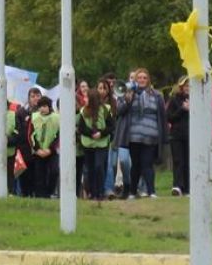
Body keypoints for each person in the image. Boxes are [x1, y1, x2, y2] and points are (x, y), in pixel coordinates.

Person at [117, 68, 166, 198]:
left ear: (148, 80)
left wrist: (164, 135)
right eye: (139, 78)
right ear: (135, 80)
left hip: (151, 135)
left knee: (147, 163)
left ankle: (151, 191)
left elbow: (162, 116)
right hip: (134, 136)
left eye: (144, 78)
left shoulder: (156, 95)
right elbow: (119, 112)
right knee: (136, 164)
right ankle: (133, 192)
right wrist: (128, 100)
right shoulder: (129, 94)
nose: (142, 80)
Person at [77, 89, 112, 202]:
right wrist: (91, 134)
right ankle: (92, 192)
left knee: (99, 167)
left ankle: (100, 191)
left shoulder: (106, 110)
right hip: (88, 144)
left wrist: (101, 133)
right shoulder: (83, 111)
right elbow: (81, 128)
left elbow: (111, 126)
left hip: (101, 144)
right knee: (90, 169)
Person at [30, 96, 59, 198]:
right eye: (40, 106)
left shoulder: (56, 118)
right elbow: (30, 134)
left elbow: (59, 135)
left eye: (45, 106)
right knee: (39, 175)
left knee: (54, 171)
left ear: (49, 107)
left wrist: (50, 149)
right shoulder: (34, 117)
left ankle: (49, 191)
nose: (42, 108)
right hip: (39, 151)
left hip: (51, 151)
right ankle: (40, 195)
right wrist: (37, 149)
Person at [165, 78, 190, 196]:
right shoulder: (174, 100)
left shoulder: (197, 99)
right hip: (177, 135)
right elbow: (170, 117)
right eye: (186, 86)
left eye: (190, 86)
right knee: (178, 161)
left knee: (189, 161)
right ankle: (178, 185)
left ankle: (188, 187)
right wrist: (182, 109)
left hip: (191, 136)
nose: (188, 88)